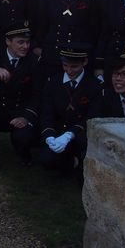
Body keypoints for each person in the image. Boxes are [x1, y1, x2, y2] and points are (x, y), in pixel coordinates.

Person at [0, 20, 42, 178]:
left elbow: (38, 94)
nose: (25, 46)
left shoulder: (33, 61)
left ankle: (24, 155)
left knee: (23, 137)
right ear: (8, 41)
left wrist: (26, 117)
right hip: (1, 109)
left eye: (27, 42)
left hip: (21, 111)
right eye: (20, 42)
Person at [40, 45, 103, 177]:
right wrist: (49, 136)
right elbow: (47, 112)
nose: (69, 70)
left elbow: (92, 116)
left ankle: (78, 163)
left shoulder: (94, 85)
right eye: (65, 66)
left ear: (84, 62)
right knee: (47, 161)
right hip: (58, 131)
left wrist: (70, 134)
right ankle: (70, 162)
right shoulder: (53, 82)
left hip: (80, 134)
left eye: (74, 66)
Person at [34, 0, 98, 78]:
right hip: (53, 54)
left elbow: (94, 29)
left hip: (78, 56)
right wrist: (38, 47)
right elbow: (42, 25)